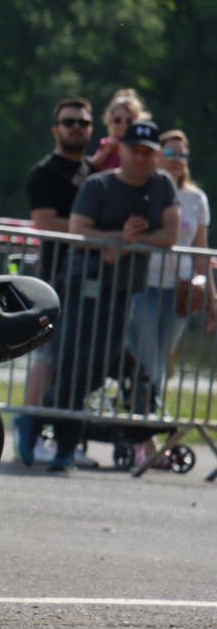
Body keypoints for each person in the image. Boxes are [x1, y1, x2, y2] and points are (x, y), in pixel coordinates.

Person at [16, 120, 179, 472]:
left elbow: (169, 233)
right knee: (72, 363)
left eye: (148, 153)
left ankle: (34, 416)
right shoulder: (98, 184)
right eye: (134, 150)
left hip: (123, 288)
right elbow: (79, 231)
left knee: (97, 367)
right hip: (81, 286)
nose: (140, 158)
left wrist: (126, 243)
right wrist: (119, 238)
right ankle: (62, 448)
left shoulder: (162, 185)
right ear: (122, 150)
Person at [126, 129, 215, 466]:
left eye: (182, 155)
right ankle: (143, 442)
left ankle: (145, 433)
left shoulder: (196, 198)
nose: (176, 160)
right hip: (143, 285)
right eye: (170, 153)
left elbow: (200, 251)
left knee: (160, 366)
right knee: (145, 362)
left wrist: (210, 296)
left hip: (177, 292)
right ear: (157, 155)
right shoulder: (145, 189)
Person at [19, 96, 98, 466]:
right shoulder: (44, 172)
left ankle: (64, 436)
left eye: (83, 122)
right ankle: (28, 426)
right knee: (48, 356)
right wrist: (96, 232)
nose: (76, 128)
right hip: (55, 279)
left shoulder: (94, 174)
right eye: (69, 122)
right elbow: (45, 223)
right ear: (56, 129)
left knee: (78, 361)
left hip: (92, 281)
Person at [89, 89, 148, 172]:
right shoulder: (106, 143)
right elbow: (93, 164)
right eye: (117, 120)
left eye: (129, 121)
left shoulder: (140, 145)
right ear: (110, 121)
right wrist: (107, 150)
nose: (123, 125)